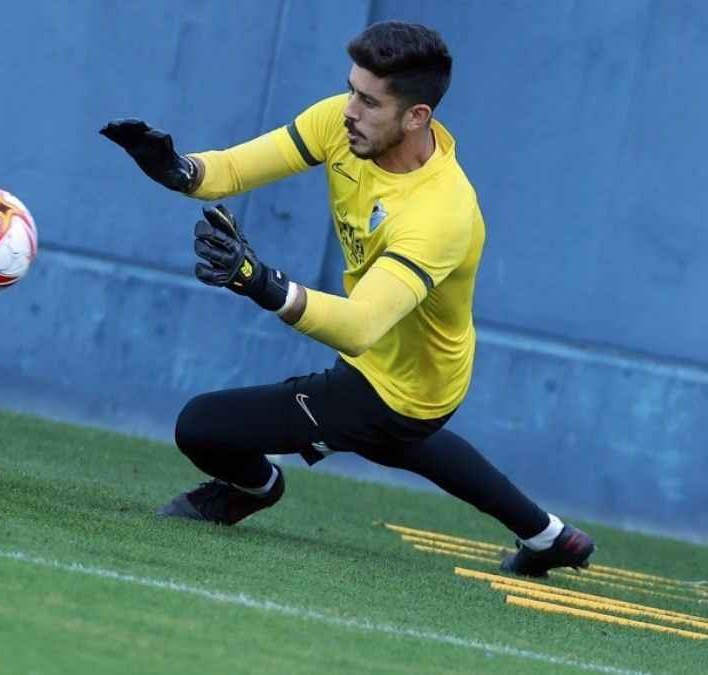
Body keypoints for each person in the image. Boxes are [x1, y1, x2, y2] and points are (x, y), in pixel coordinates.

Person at [100, 21, 594, 578]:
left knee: (202, 425)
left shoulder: (442, 212)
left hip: (395, 385)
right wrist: (180, 170)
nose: (350, 110)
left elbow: (360, 327)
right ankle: (550, 535)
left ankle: (252, 488)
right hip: (415, 376)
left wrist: (259, 281)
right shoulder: (344, 123)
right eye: (352, 89)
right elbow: (234, 169)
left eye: (368, 100)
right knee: (400, 443)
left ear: (417, 117)